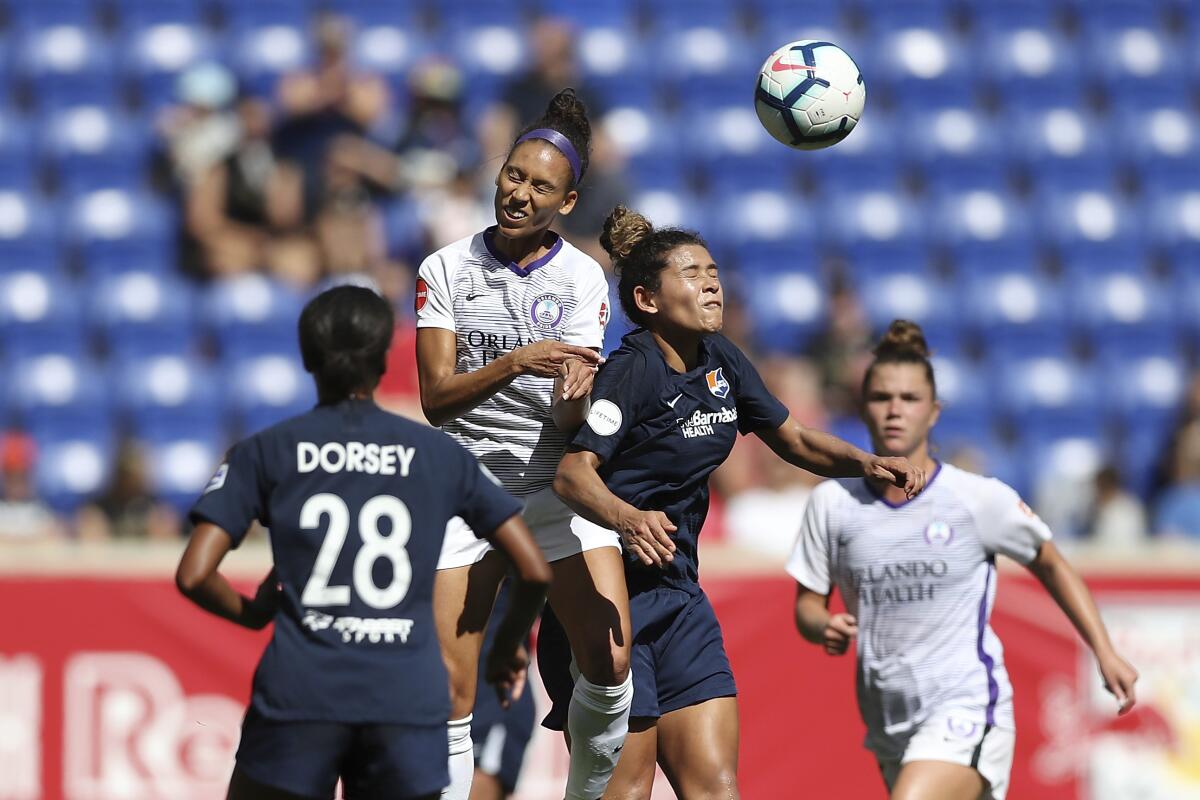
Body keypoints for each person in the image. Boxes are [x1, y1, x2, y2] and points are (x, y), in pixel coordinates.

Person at [546, 206, 927, 799]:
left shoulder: (723, 360)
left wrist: (865, 463)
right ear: (647, 300)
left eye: (714, 270)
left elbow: (794, 439)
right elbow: (572, 474)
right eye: (691, 273)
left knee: (718, 790)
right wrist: (626, 516)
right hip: (607, 603)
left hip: (679, 598)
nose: (711, 282)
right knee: (625, 793)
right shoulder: (632, 371)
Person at [175, 285, 551, 800]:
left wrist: (254, 614)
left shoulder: (265, 451)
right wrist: (506, 649)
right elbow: (532, 568)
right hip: (405, 696)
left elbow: (194, 574)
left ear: (307, 358)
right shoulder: (438, 456)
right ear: (382, 361)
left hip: (300, 689)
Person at [786, 319, 1139, 800]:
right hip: (887, 719)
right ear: (862, 407)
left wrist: (1104, 650)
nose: (894, 411)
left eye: (909, 399)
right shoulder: (832, 503)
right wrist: (821, 626)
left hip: (968, 706)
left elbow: (1051, 562)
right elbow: (807, 604)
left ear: (934, 412)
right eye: (881, 397)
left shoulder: (976, 499)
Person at [415, 89, 630, 800]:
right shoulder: (444, 269)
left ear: (567, 203)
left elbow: (572, 417)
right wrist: (514, 361)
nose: (520, 194)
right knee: (453, 685)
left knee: (610, 662)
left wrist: (576, 400)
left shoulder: (581, 279)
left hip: (550, 491)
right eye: (514, 175)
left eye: (541, 186)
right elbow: (435, 399)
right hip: (469, 495)